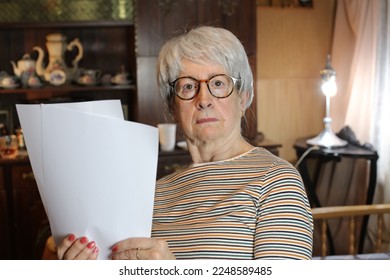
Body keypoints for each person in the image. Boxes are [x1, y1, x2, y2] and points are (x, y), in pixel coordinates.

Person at [57, 25, 313, 260]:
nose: (204, 99)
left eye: (218, 83)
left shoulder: (277, 181)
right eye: (188, 86)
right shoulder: (151, 194)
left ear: (243, 97)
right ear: (172, 106)